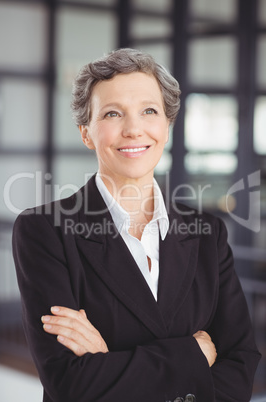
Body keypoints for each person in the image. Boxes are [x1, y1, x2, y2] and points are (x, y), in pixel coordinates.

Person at [13, 48, 260, 402]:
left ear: (167, 126)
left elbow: (241, 361)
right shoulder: (43, 231)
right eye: (113, 113)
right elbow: (70, 383)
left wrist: (109, 363)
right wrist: (193, 355)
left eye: (149, 111)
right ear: (86, 133)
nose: (133, 129)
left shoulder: (207, 231)